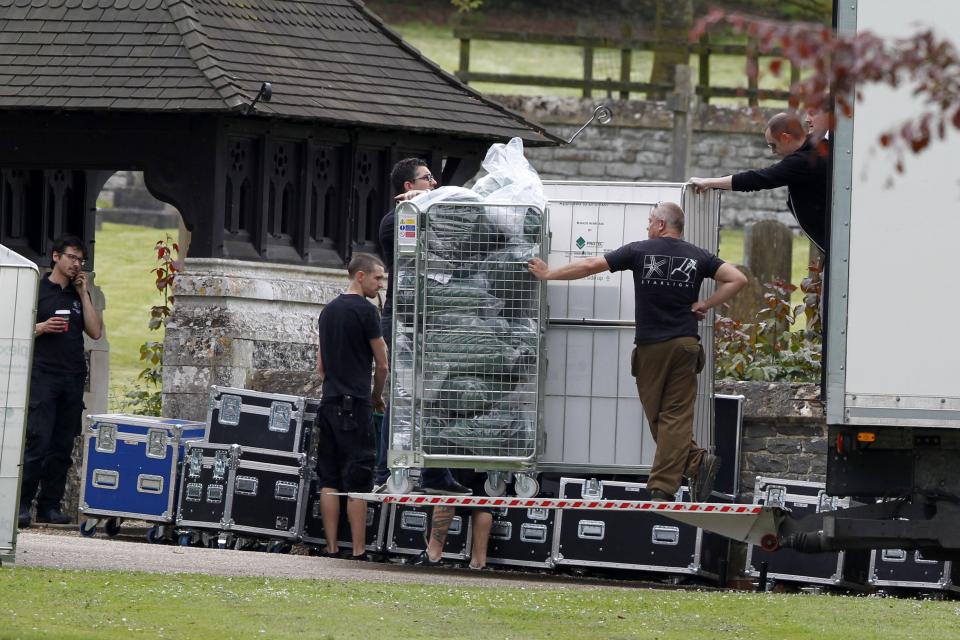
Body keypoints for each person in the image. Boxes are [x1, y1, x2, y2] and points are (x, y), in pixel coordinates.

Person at [527, 203, 747, 502]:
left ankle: (661, 487)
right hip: (685, 345)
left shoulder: (639, 250)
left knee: (664, 416)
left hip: (651, 346)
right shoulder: (698, 255)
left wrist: (550, 274)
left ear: (659, 224)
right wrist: (705, 305)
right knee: (672, 418)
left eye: (648, 221)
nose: (646, 226)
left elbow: (591, 265)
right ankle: (695, 461)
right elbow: (737, 279)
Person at [373, 157, 470, 496]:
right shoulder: (394, 222)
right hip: (401, 319)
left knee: (433, 395)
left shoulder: (430, 213)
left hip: (429, 318)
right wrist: (420, 209)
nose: (434, 184)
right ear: (408, 187)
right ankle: (383, 471)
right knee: (403, 395)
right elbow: (415, 249)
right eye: (427, 179)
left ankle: (435, 476)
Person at [19, 235, 103, 528]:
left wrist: (84, 294)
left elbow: (95, 332)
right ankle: (22, 504)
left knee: (62, 445)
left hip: (72, 377)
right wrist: (40, 327)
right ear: (56, 256)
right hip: (43, 375)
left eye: (81, 260)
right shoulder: (36, 289)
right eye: (72, 258)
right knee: (37, 441)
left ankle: (50, 506)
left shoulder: (78, 294)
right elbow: (15, 327)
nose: (76, 264)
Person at [315, 253, 389, 559]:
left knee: (329, 478)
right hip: (355, 404)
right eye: (378, 278)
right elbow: (382, 364)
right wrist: (376, 395)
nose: (381, 285)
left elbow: (321, 367)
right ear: (360, 276)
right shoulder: (367, 312)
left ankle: (331, 547)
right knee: (358, 477)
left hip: (329, 401)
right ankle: (358, 550)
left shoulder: (327, 311)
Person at [688, 112, 829, 253]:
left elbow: (757, 179)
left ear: (785, 138)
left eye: (773, 145)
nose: (773, 152)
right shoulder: (816, 146)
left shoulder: (803, 161)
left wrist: (708, 182)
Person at [408, 471, 492, 569]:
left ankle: (433, 555)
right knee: (482, 502)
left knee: (447, 492)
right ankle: (478, 563)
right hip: (484, 458)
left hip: (458, 458)